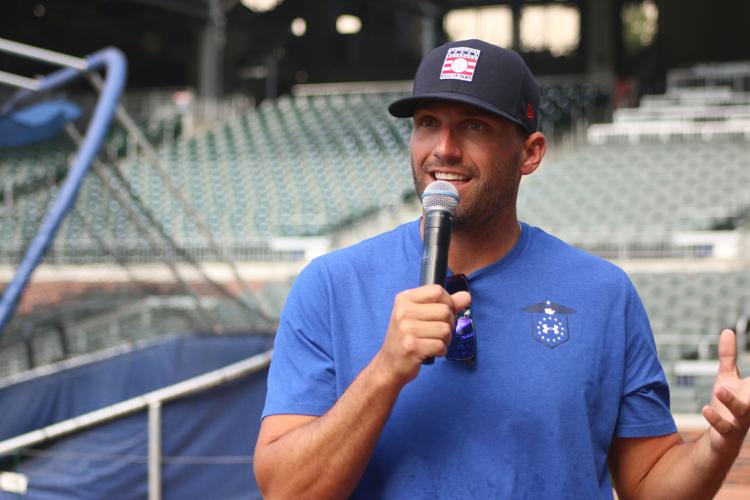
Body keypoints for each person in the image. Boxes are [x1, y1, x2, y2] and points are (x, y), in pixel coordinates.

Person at [253, 39, 750, 499]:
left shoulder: (603, 293)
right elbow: (285, 489)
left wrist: (719, 442)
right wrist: (385, 371)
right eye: (428, 122)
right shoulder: (332, 286)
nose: (443, 148)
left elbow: (649, 481)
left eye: (474, 126)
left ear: (530, 153)